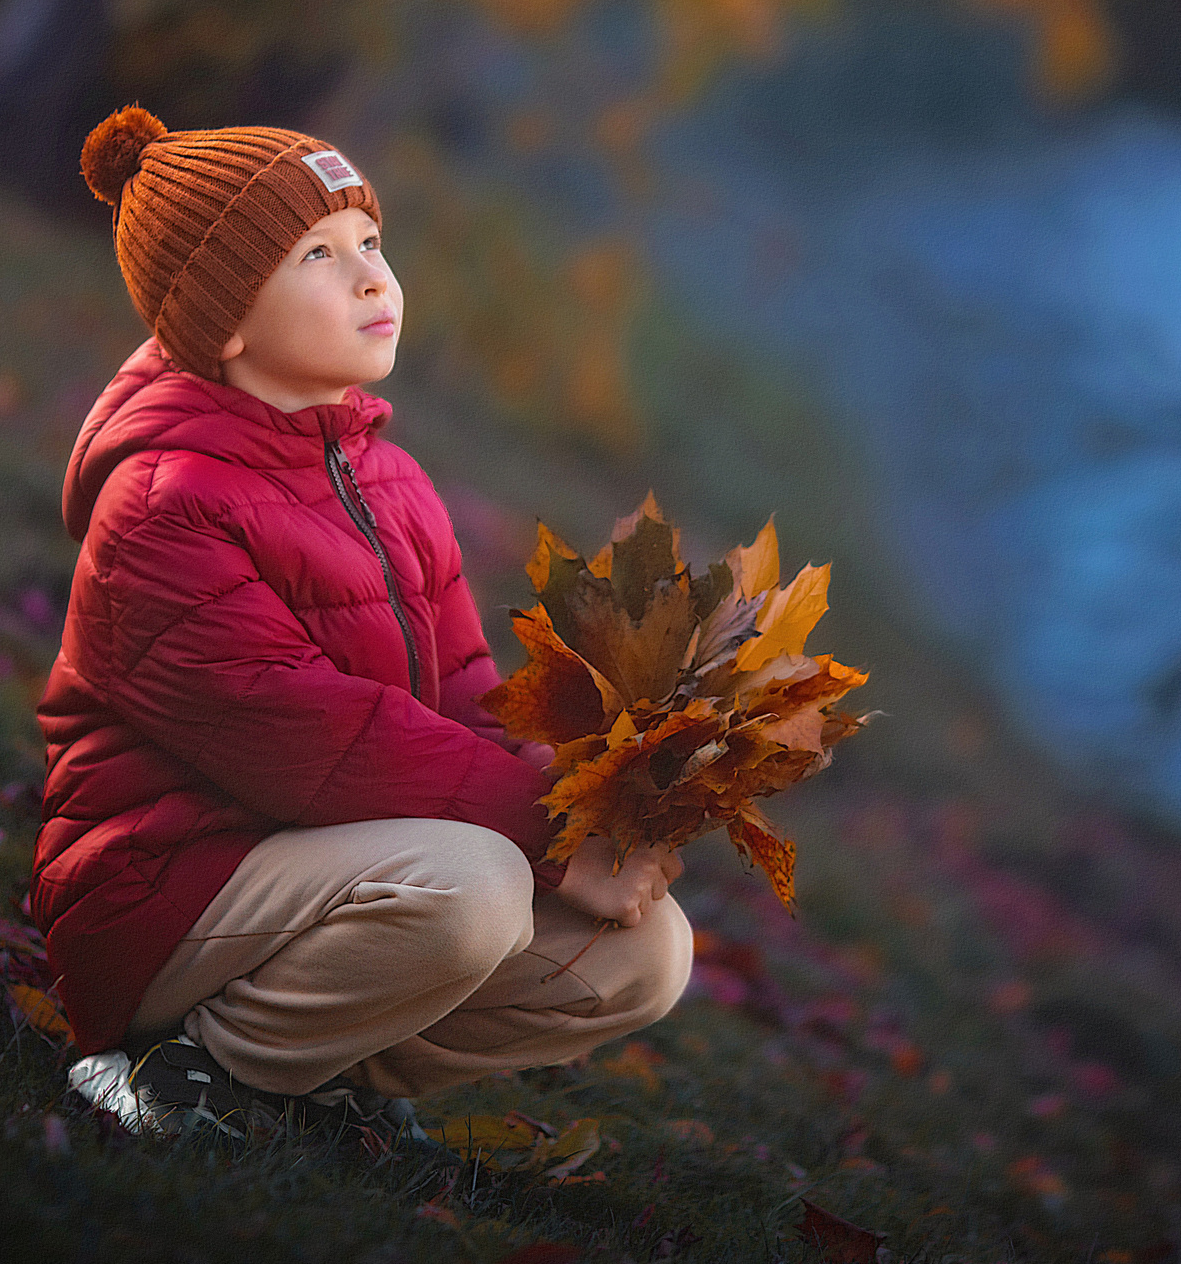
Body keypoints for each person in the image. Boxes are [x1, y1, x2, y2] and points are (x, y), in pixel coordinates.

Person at [34, 106, 690, 1143]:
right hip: (171, 892)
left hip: (338, 870)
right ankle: (182, 1072)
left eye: (372, 244)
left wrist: (602, 805)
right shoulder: (165, 503)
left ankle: (324, 1081)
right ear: (227, 322)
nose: (373, 277)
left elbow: (469, 700)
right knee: (473, 889)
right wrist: (554, 839)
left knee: (645, 957)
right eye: (319, 255)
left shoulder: (391, 481)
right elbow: (313, 738)